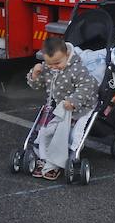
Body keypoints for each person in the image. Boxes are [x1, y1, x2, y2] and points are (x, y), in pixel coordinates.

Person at [25, 36, 99, 181]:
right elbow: (38, 86)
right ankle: (45, 157)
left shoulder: (77, 68)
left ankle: (70, 155)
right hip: (60, 107)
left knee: (74, 134)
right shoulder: (49, 66)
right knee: (47, 131)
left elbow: (88, 87)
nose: (53, 67)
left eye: (57, 63)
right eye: (49, 63)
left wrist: (73, 100)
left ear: (67, 55)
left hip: (82, 106)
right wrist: (35, 74)